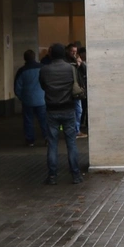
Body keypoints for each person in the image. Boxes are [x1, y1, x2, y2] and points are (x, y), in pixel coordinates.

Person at [39, 42, 84, 185]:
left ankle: (52, 176)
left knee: (52, 144)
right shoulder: (71, 69)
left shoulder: (44, 70)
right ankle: (75, 175)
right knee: (71, 143)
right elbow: (78, 84)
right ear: (64, 54)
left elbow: (43, 86)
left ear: (51, 54)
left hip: (51, 110)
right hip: (68, 109)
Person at [13, 49, 47, 147]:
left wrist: (22, 97)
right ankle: (47, 138)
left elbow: (17, 88)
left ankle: (30, 140)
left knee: (28, 121)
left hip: (27, 100)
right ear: (34, 57)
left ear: (24, 58)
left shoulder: (21, 71)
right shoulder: (42, 68)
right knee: (44, 120)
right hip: (42, 99)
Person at [65, 43, 87, 137]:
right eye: (72, 51)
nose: (74, 53)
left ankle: (76, 130)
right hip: (67, 89)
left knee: (78, 110)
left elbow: (85, 71)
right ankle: (73, 130)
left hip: (76, 89)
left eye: (75, 51)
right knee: (73, 111)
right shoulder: (65, 61)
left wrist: (80, 64)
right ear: (67, 51)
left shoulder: (77, 60)